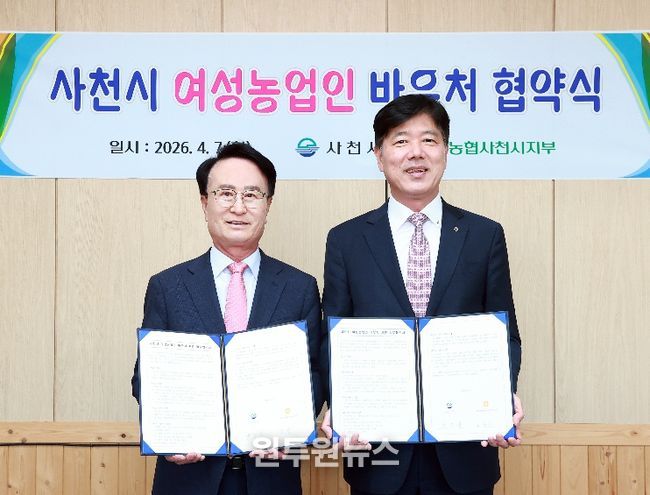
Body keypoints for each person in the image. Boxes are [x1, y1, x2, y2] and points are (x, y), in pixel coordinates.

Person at [321, 94, 524, 495]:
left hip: (465, 449)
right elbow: (332, 338)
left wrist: (501, 396)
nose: (416, 153)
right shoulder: (346, 240)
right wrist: (339, 404)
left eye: (429, 140)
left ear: (445, 152)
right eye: (400, 141)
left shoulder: (484, 236)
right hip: (377, 453)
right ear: (379, 157)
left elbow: (505, 335)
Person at [131, 142, 325, 495]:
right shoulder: (167, 287)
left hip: (271, 475)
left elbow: (314, 375)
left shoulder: (299, 288)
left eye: (252, 194)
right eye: (225, 193)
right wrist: (168, 432)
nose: (238, 207)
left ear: (268, 205)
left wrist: (291, 431)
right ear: (204, 203)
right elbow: (145, 377)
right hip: (189, 477)